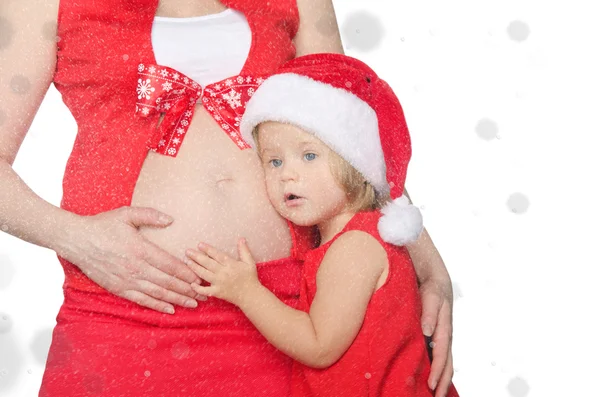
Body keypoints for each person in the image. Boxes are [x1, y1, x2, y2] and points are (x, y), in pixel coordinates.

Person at [0, 0, 455, 395]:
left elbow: (356, 138)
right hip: (121, 310)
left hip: (291, 315)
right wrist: (76, 238)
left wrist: (427, 262)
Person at [184, 53, 460, 396]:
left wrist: (247, 292)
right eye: (274, 160)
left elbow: (318, 346)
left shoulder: (355, 248)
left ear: (355, 162)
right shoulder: (352, 238)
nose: (288, 173)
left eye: (309, 155)